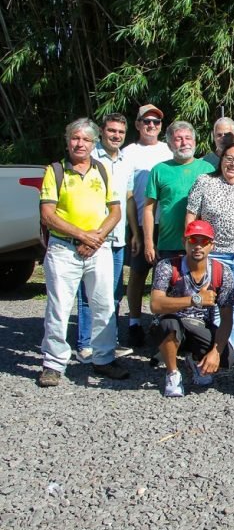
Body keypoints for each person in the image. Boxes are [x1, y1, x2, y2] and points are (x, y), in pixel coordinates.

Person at [37, 118, 128, 386]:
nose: (80, 144)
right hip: (64, 248)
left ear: (93, 143)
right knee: (59, 307)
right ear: (68, 141)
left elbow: (115, 210)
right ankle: (53, 363)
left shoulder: (102, 170)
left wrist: (95, 238)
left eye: (86, 140)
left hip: (97, 249)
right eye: (76, 138)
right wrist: (82, 235)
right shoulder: (55, 171)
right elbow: (47, 215)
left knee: (104, 305)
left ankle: (103, 359)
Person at [186, 142, 234, 361]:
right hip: (215, 254)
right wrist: (190, 247)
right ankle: (215, 348)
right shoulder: (205, 182)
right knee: (215, 303)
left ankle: (233, 351)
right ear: (221, 158)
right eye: (230, 158)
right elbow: (191, 216)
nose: (233, 164)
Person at [149, 220, 234, 397]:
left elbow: (227, 318)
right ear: (184, 242)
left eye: (204, 241)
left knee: (228, 357)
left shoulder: (222, 272)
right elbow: (155, 304)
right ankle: (172, 373)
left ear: (212, 245)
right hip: (171, 321)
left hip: (200, 325)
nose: (198, 246)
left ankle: (195, 360)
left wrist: (215, 353)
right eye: (193, 240)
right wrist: (195, 299)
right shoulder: (167, 266)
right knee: (170, 325)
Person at [73, 113, 132, 362]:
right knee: (89, 295)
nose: (115, 135)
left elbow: (127, 200)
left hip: (117, 237)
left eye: (120, 131)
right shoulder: (89, 157)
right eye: (111, 131)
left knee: (113, 293)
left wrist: (135, 232)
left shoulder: (126, 161)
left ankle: (109, 340)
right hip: (93, 237)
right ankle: (85, 343)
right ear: (101, 133)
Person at [123, 103, 173, 347]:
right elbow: (129, 195)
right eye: (146, 122)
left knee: (164, 275)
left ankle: (161, 321)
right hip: (142, 224)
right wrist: (135, 232)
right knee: (138, 272)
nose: (151, 126)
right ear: (137, 124)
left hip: (168, 224)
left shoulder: (169, 150)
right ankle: (133, 321)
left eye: (156, 122)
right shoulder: (129, 152)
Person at [143, 121, 215, 266]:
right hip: (168, 245)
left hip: (200, 244)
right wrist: (149, 242)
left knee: (198, 288)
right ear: (169, 145)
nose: (184, 143)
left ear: (194, 141)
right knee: (165, 287)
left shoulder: (208, 169)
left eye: (188, 138)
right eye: (178, 139)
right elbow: (149, 209)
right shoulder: (159, 170)